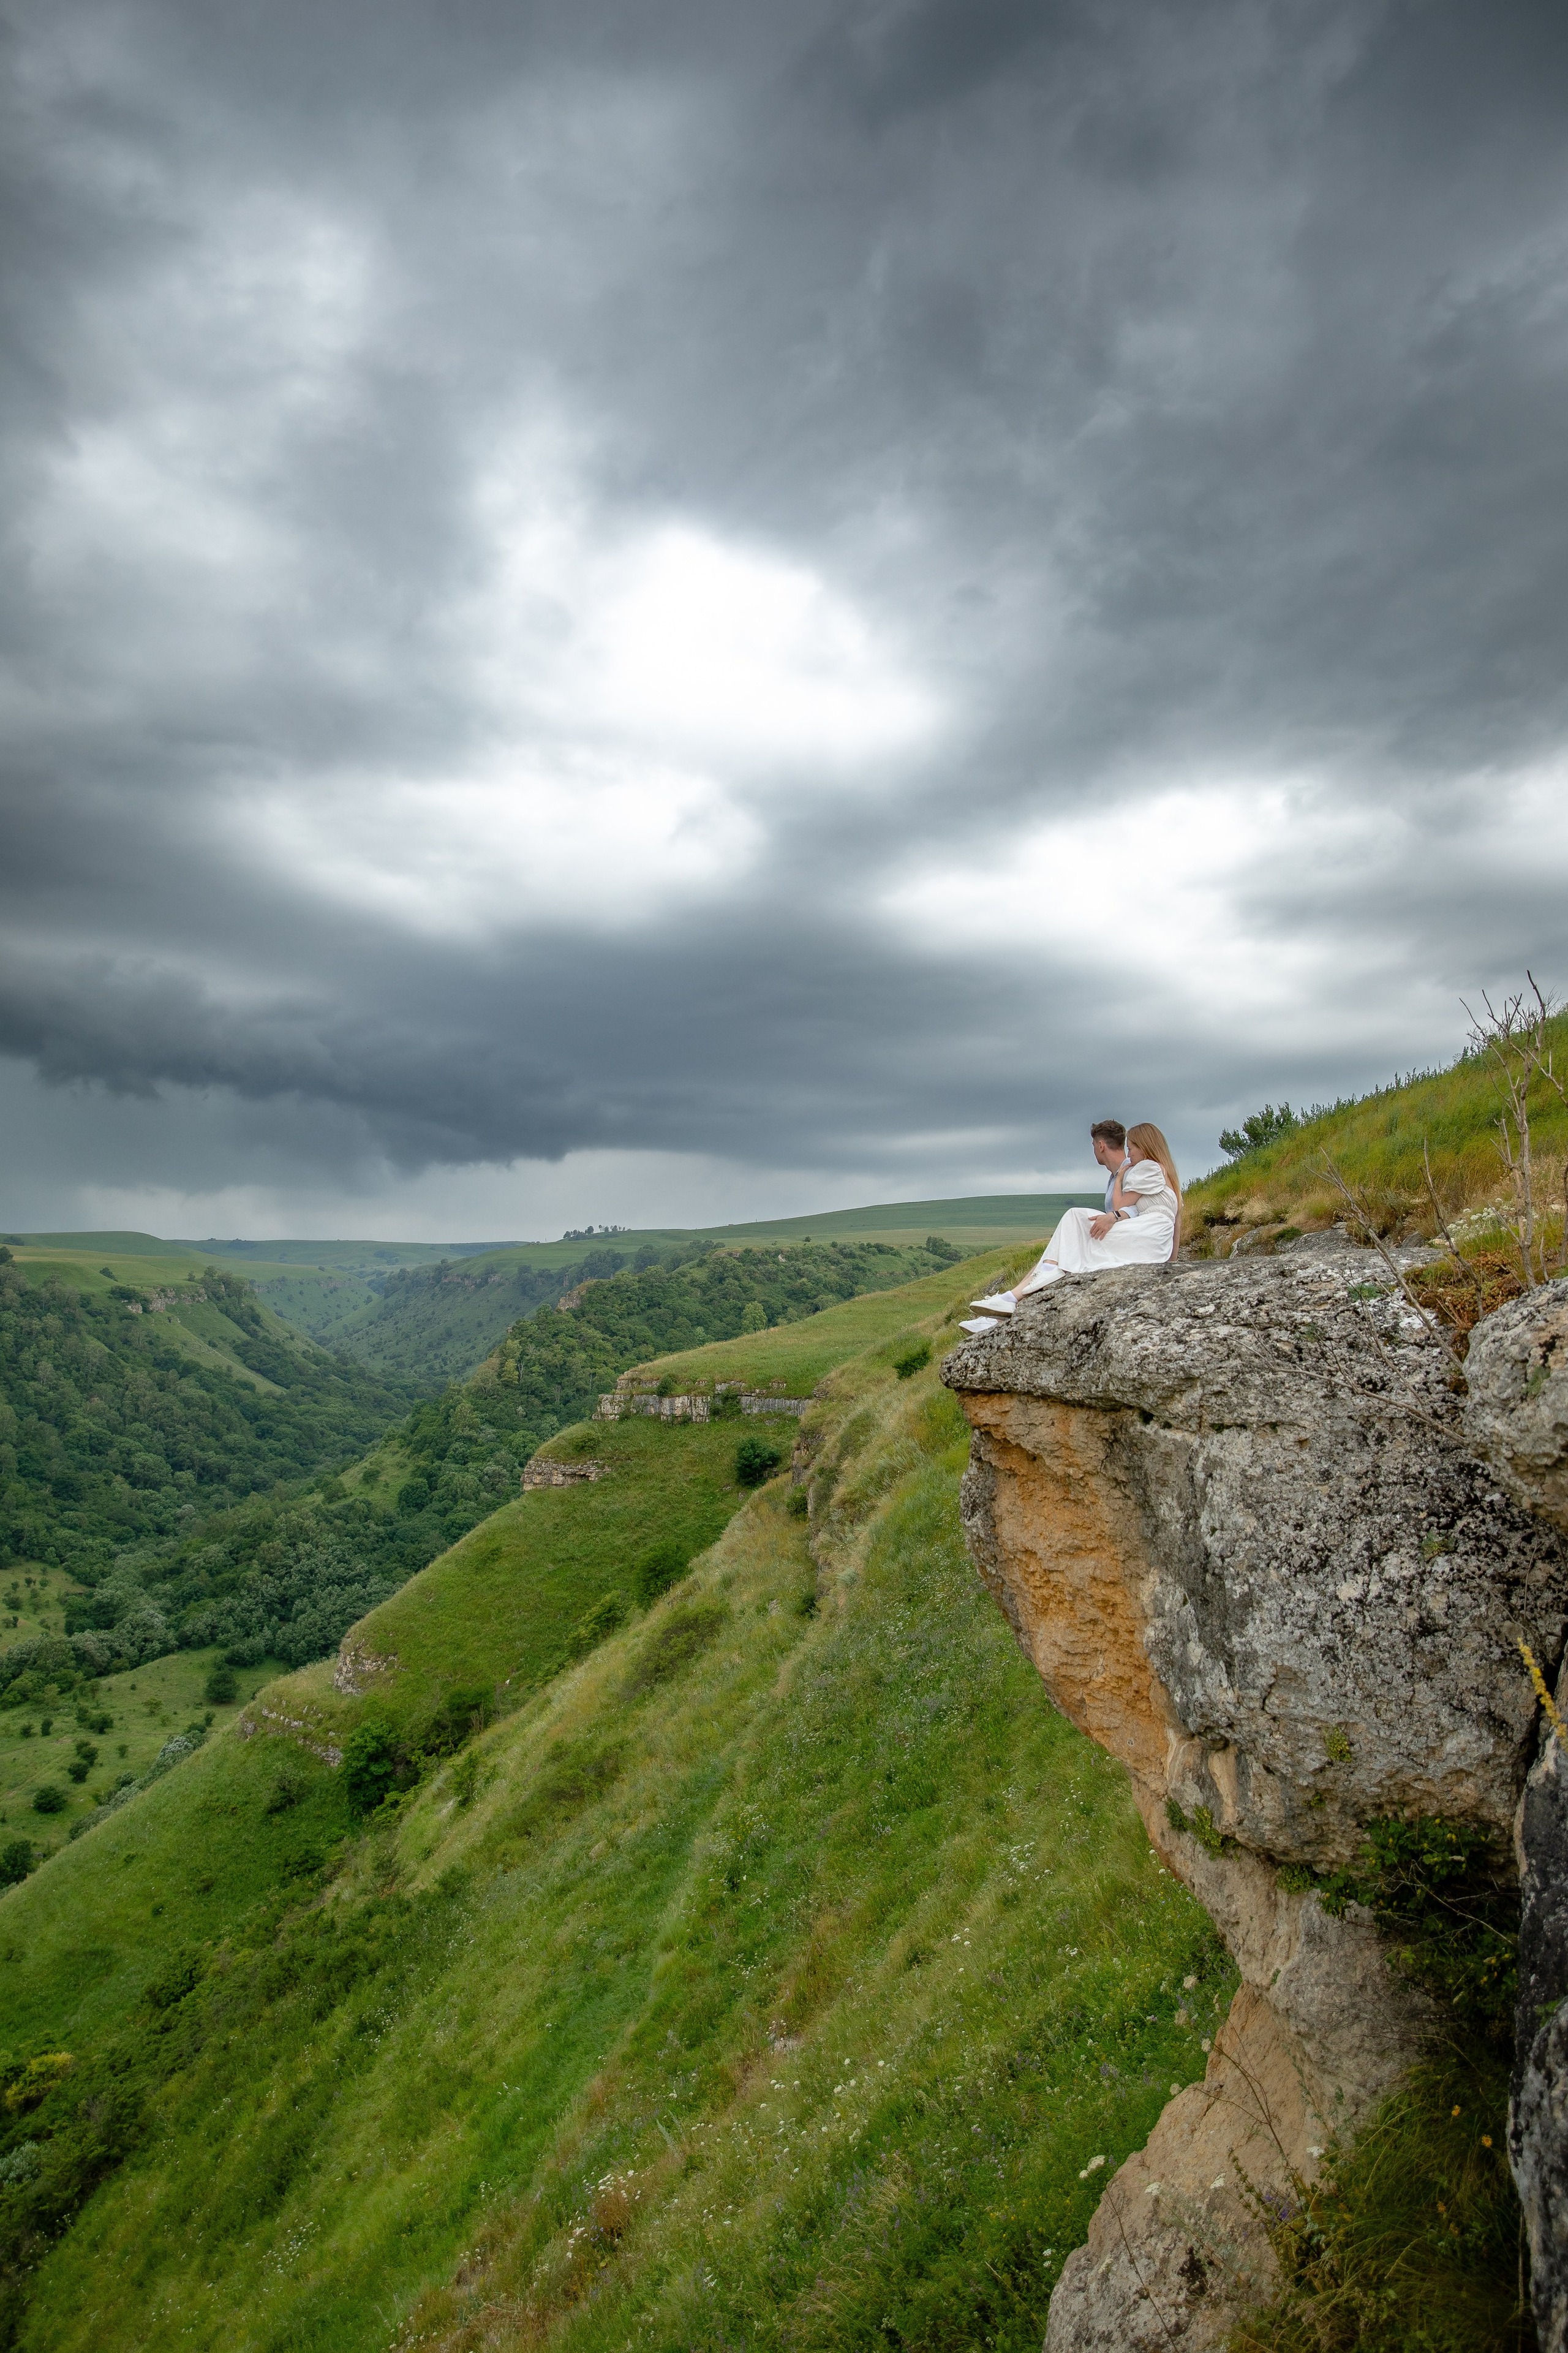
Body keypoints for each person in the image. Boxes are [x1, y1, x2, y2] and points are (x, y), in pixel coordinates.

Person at [962, 1122, 1182, 1332]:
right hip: (1153, 1240)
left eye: (1131, 1148)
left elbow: (1124, 1208)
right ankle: (1002, 1310)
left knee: (1075, 1219)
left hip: (1144, 1234)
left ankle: (1008, 1303)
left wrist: (1119, 1193)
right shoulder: (1166, 1174)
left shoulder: (1144, 1168)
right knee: (1063, 1245)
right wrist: (1171, 1262)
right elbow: (1176, 1220)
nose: (1129, 1154)